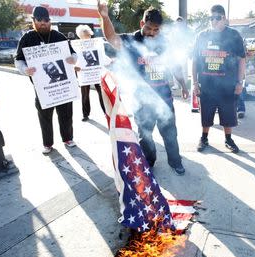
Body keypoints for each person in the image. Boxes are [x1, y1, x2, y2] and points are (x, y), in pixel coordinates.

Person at [98, 2, 189, 175]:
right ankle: (149, 162)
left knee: (170, 134)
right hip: (141, 101)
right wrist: (104, 17)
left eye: (156, 30)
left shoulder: (165, 43)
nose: (152, 33)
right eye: (149, 28)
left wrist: (184, 85)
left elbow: (175, 66)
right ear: (142, 24)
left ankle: (175, 162)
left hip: (165, 99)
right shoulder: (131, 41)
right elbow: (111, 38)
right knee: (145, 136)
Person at [15, 6, 77, 155]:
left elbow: (74, 54)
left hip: (63, 85)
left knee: (66, 113)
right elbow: (19, 60)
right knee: (44, 116)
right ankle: (48, 143)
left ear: (50, 21)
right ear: (34, 21)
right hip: (42, 87)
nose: (43, 23)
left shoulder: (58, 36)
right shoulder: (27, 38)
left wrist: (72, 59)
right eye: (40, 20)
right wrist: (25, 70)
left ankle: (68, 138)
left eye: (46, 20)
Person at [192, 4, 246, 153]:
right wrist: (195, 83)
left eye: (217, 18)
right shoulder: (202, 36)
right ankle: (204, 138)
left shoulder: (234, 35)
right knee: (206, 115)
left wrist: (240, 82)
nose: (214, 21)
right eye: (211, 18)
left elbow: (242, 59)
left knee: (228, 115)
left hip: (227, 85)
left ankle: (228, 139)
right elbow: (195, 60)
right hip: (207, 84)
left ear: (224, 18)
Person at [75, 24, 106, 122]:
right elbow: (75, 59)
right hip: (84, 73)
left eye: (89, 35)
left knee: (102, 93)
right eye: (85, 35)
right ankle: (85, 114)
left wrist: (109, 61)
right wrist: (74, 66)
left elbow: (101, 56)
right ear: (80, 36)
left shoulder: (96, 44)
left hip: (96, 72)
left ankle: (106, 112)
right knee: (85, 94)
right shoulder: (77, 46)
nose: (88, 37)